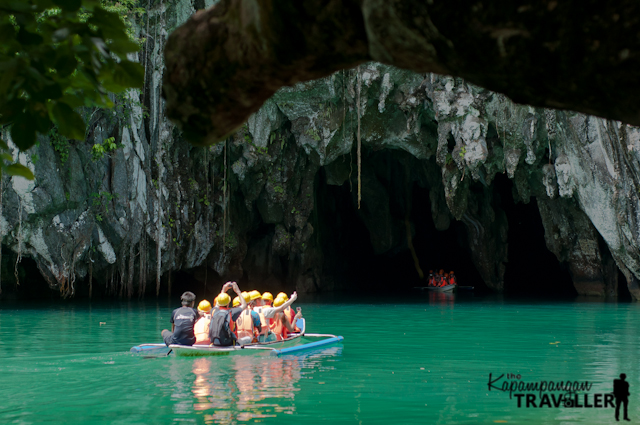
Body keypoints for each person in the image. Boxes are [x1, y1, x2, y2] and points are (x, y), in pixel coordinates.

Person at [209, 282, 247, 346]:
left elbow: (217, 304)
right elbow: (244, 305)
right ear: (228, 303)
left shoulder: (214, 311)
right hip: (228, 343)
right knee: (247, 339)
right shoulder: (231, 312)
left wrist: (223, 290)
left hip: (215, 342)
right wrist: (238, 291)